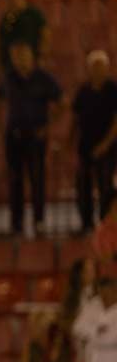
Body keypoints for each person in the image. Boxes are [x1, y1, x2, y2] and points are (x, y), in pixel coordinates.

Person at [0, 41, 62, 238]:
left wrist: (47, 126)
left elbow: (62, 102)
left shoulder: (43, 78)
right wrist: (0, 127)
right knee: (15, 180)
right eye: (16, 56)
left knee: (37, 179)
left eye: (23, 55)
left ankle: (39, 222)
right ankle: (16, 224)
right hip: (14, 135)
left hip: (35, 136)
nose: (19, 60)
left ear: (32, 57)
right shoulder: (8, 78)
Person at [70, 50, 117, 231]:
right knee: (83, 185)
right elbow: (75, 118)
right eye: (94, 67)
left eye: (101, 67)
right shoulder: (83, 91)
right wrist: (70, 142)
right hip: (86, 146)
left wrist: (104, 145)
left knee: (105, 185)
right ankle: (86, 222)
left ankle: (105, 222)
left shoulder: (113, 90)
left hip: (108, 148)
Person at [0, 0, 49, 72]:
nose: (11, 1)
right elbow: (1, 39)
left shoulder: (33, 14)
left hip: (31, 62)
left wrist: (42, 55)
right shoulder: (7, 17)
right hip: (10, 64)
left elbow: (45, 34)